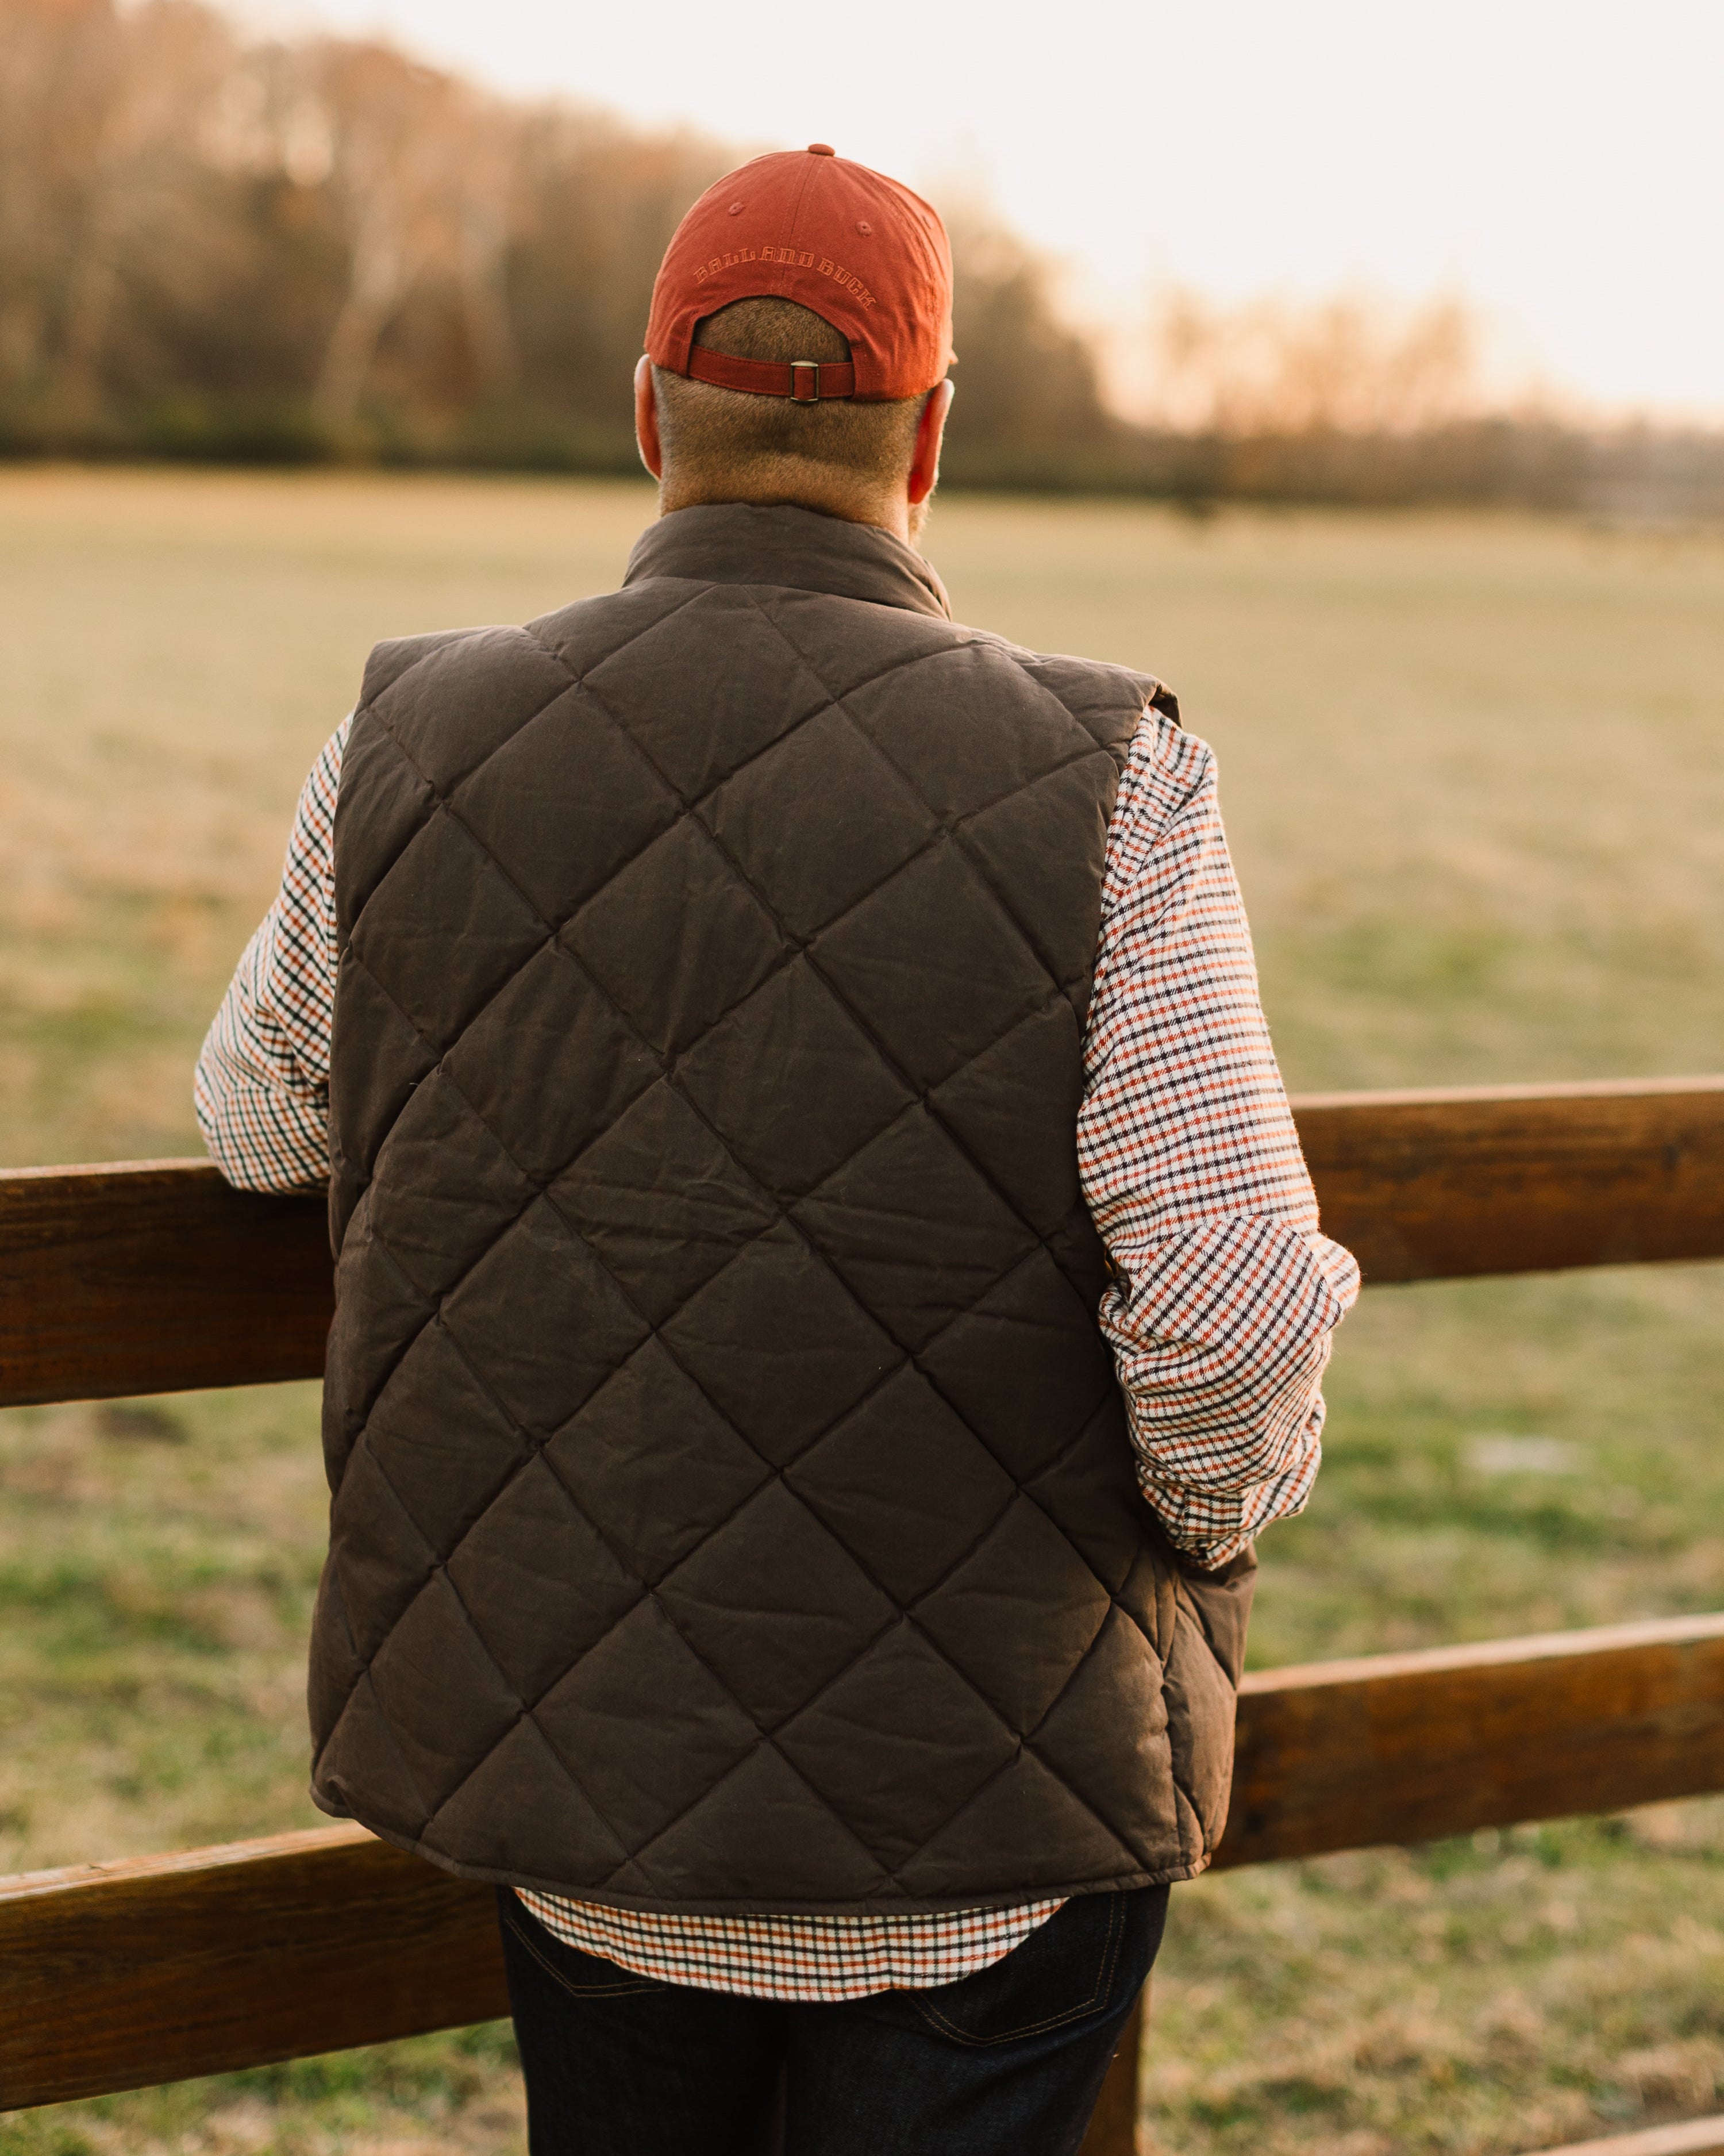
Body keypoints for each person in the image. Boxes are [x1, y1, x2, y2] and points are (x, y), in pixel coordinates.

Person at [196, 144, 1358, 2156]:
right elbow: (1238, 1309)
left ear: (647, 414)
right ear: (933, 447)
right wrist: (1195, 1522)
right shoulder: (1112, 772)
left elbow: (254, 1118)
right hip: (986, 1833)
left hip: (583, 1801)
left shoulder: (407, 730)